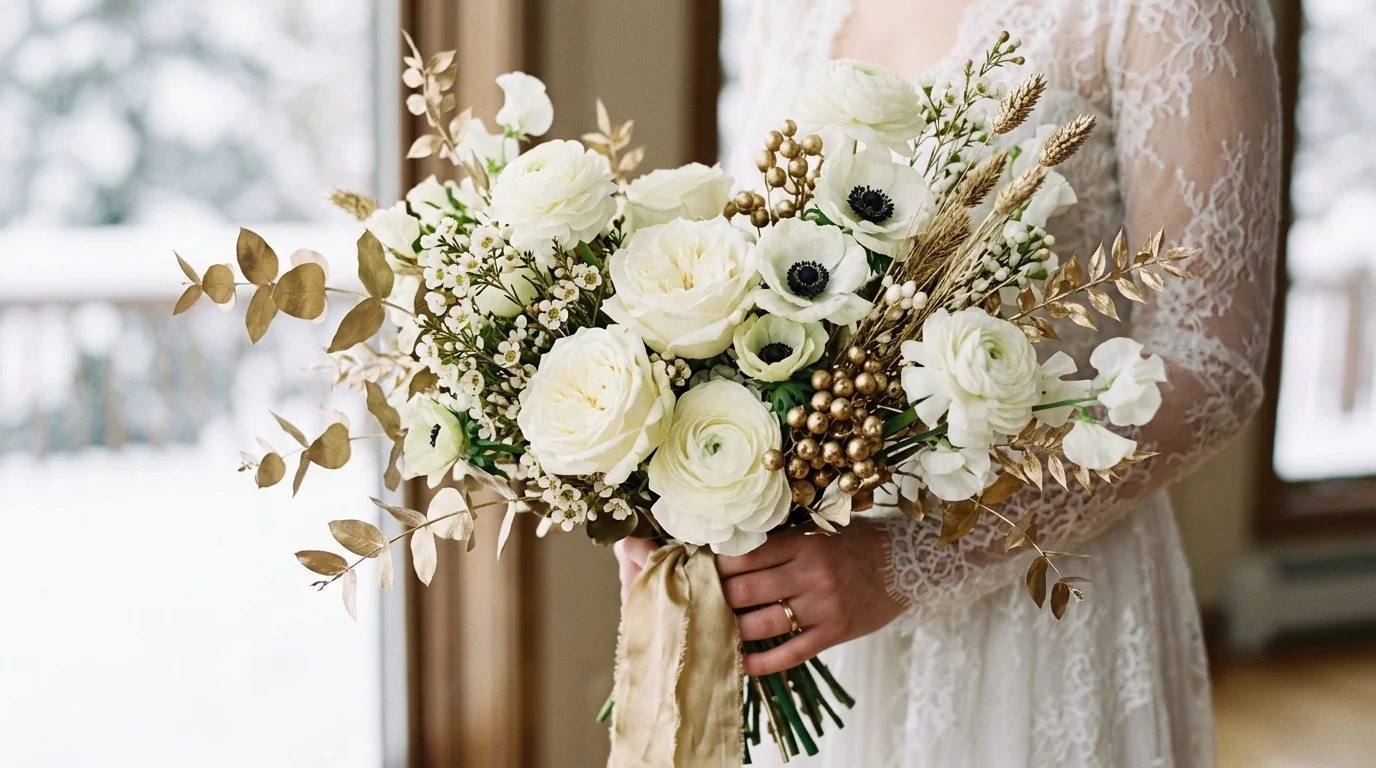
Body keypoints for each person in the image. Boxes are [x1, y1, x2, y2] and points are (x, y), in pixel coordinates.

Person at [616, 0, 1281, 764]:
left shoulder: (1168, 12)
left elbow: (1214, 366)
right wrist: (674, 498)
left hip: (1039, 604)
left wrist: (903, 565)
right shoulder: (785, 12)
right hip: (807, 598)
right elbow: (746, 262)